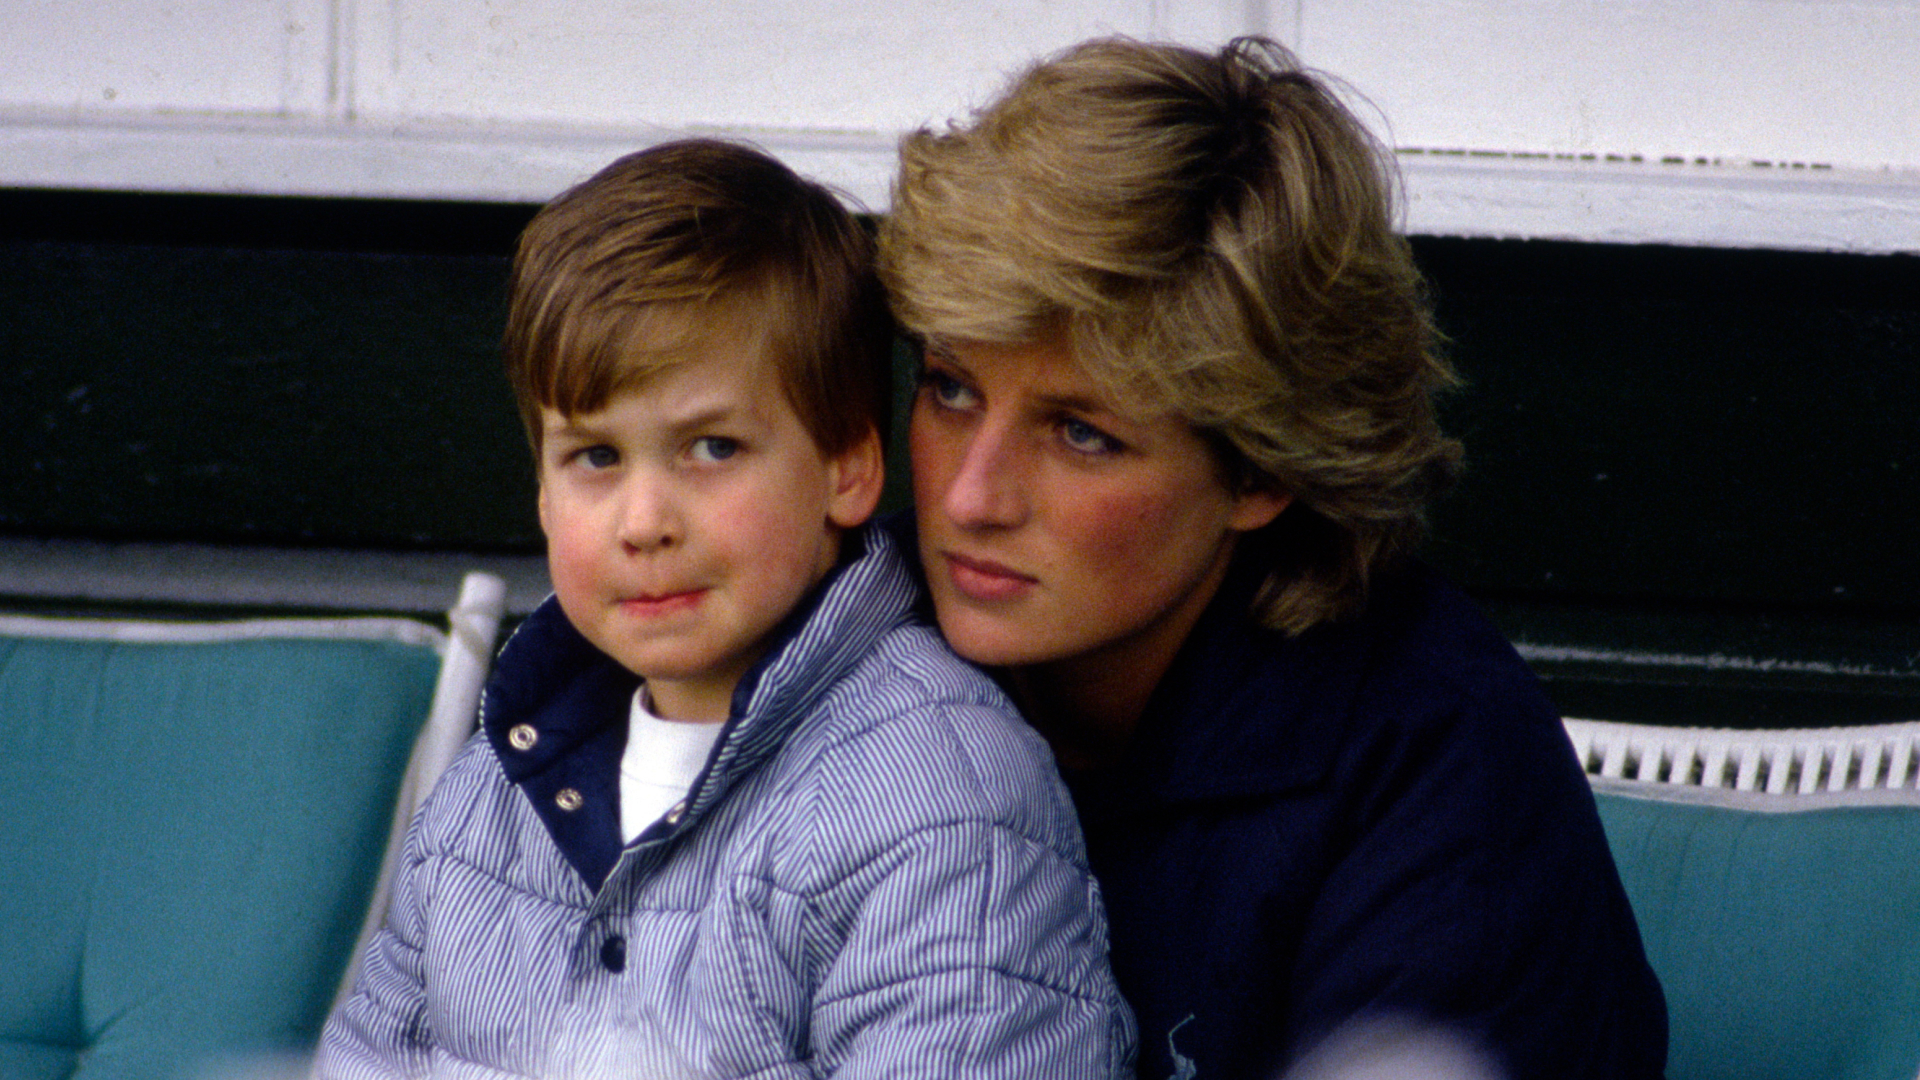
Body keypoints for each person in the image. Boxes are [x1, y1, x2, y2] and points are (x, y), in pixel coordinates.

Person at [877, 36, 1668, 1080]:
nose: (969, 497)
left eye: (1081, 435)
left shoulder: (1436, 769)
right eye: (950, 388)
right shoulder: (840, 637)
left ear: (1259, 474)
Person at [318, 139, 1134, 1079]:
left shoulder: (937, 802)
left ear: (847, 468)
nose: (645, 522)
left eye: (710, 448)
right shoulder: (496, 783)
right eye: (595, 458)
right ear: (540, 492)